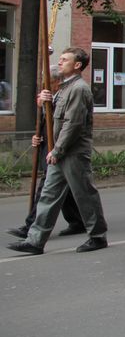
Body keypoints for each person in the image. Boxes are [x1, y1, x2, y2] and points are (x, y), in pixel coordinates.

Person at [8, 48, 108, 255]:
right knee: (49, 195)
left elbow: (73, 124)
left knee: (84, 194)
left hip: (73, 152)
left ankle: (98, 236)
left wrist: (57, 150)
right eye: (60, 59)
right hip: (59, 151)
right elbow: (55, 120)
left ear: (77, 65)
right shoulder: (63, 88)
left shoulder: (78, 89)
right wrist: (44, 104)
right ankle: (35, 240)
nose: (60, 62)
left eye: (64, 59)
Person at [7, 66, 85, 240]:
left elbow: (67, 123)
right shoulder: (49, 96)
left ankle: (31, 226)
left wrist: (57, 148)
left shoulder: (68, 94)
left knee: (46, 188)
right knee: (64, 187)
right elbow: (45, 122)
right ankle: (78, 221)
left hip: (60, 148)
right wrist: (38, 136)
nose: (44, 84)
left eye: (47, 80)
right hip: (48, 146)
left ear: (56, 81)